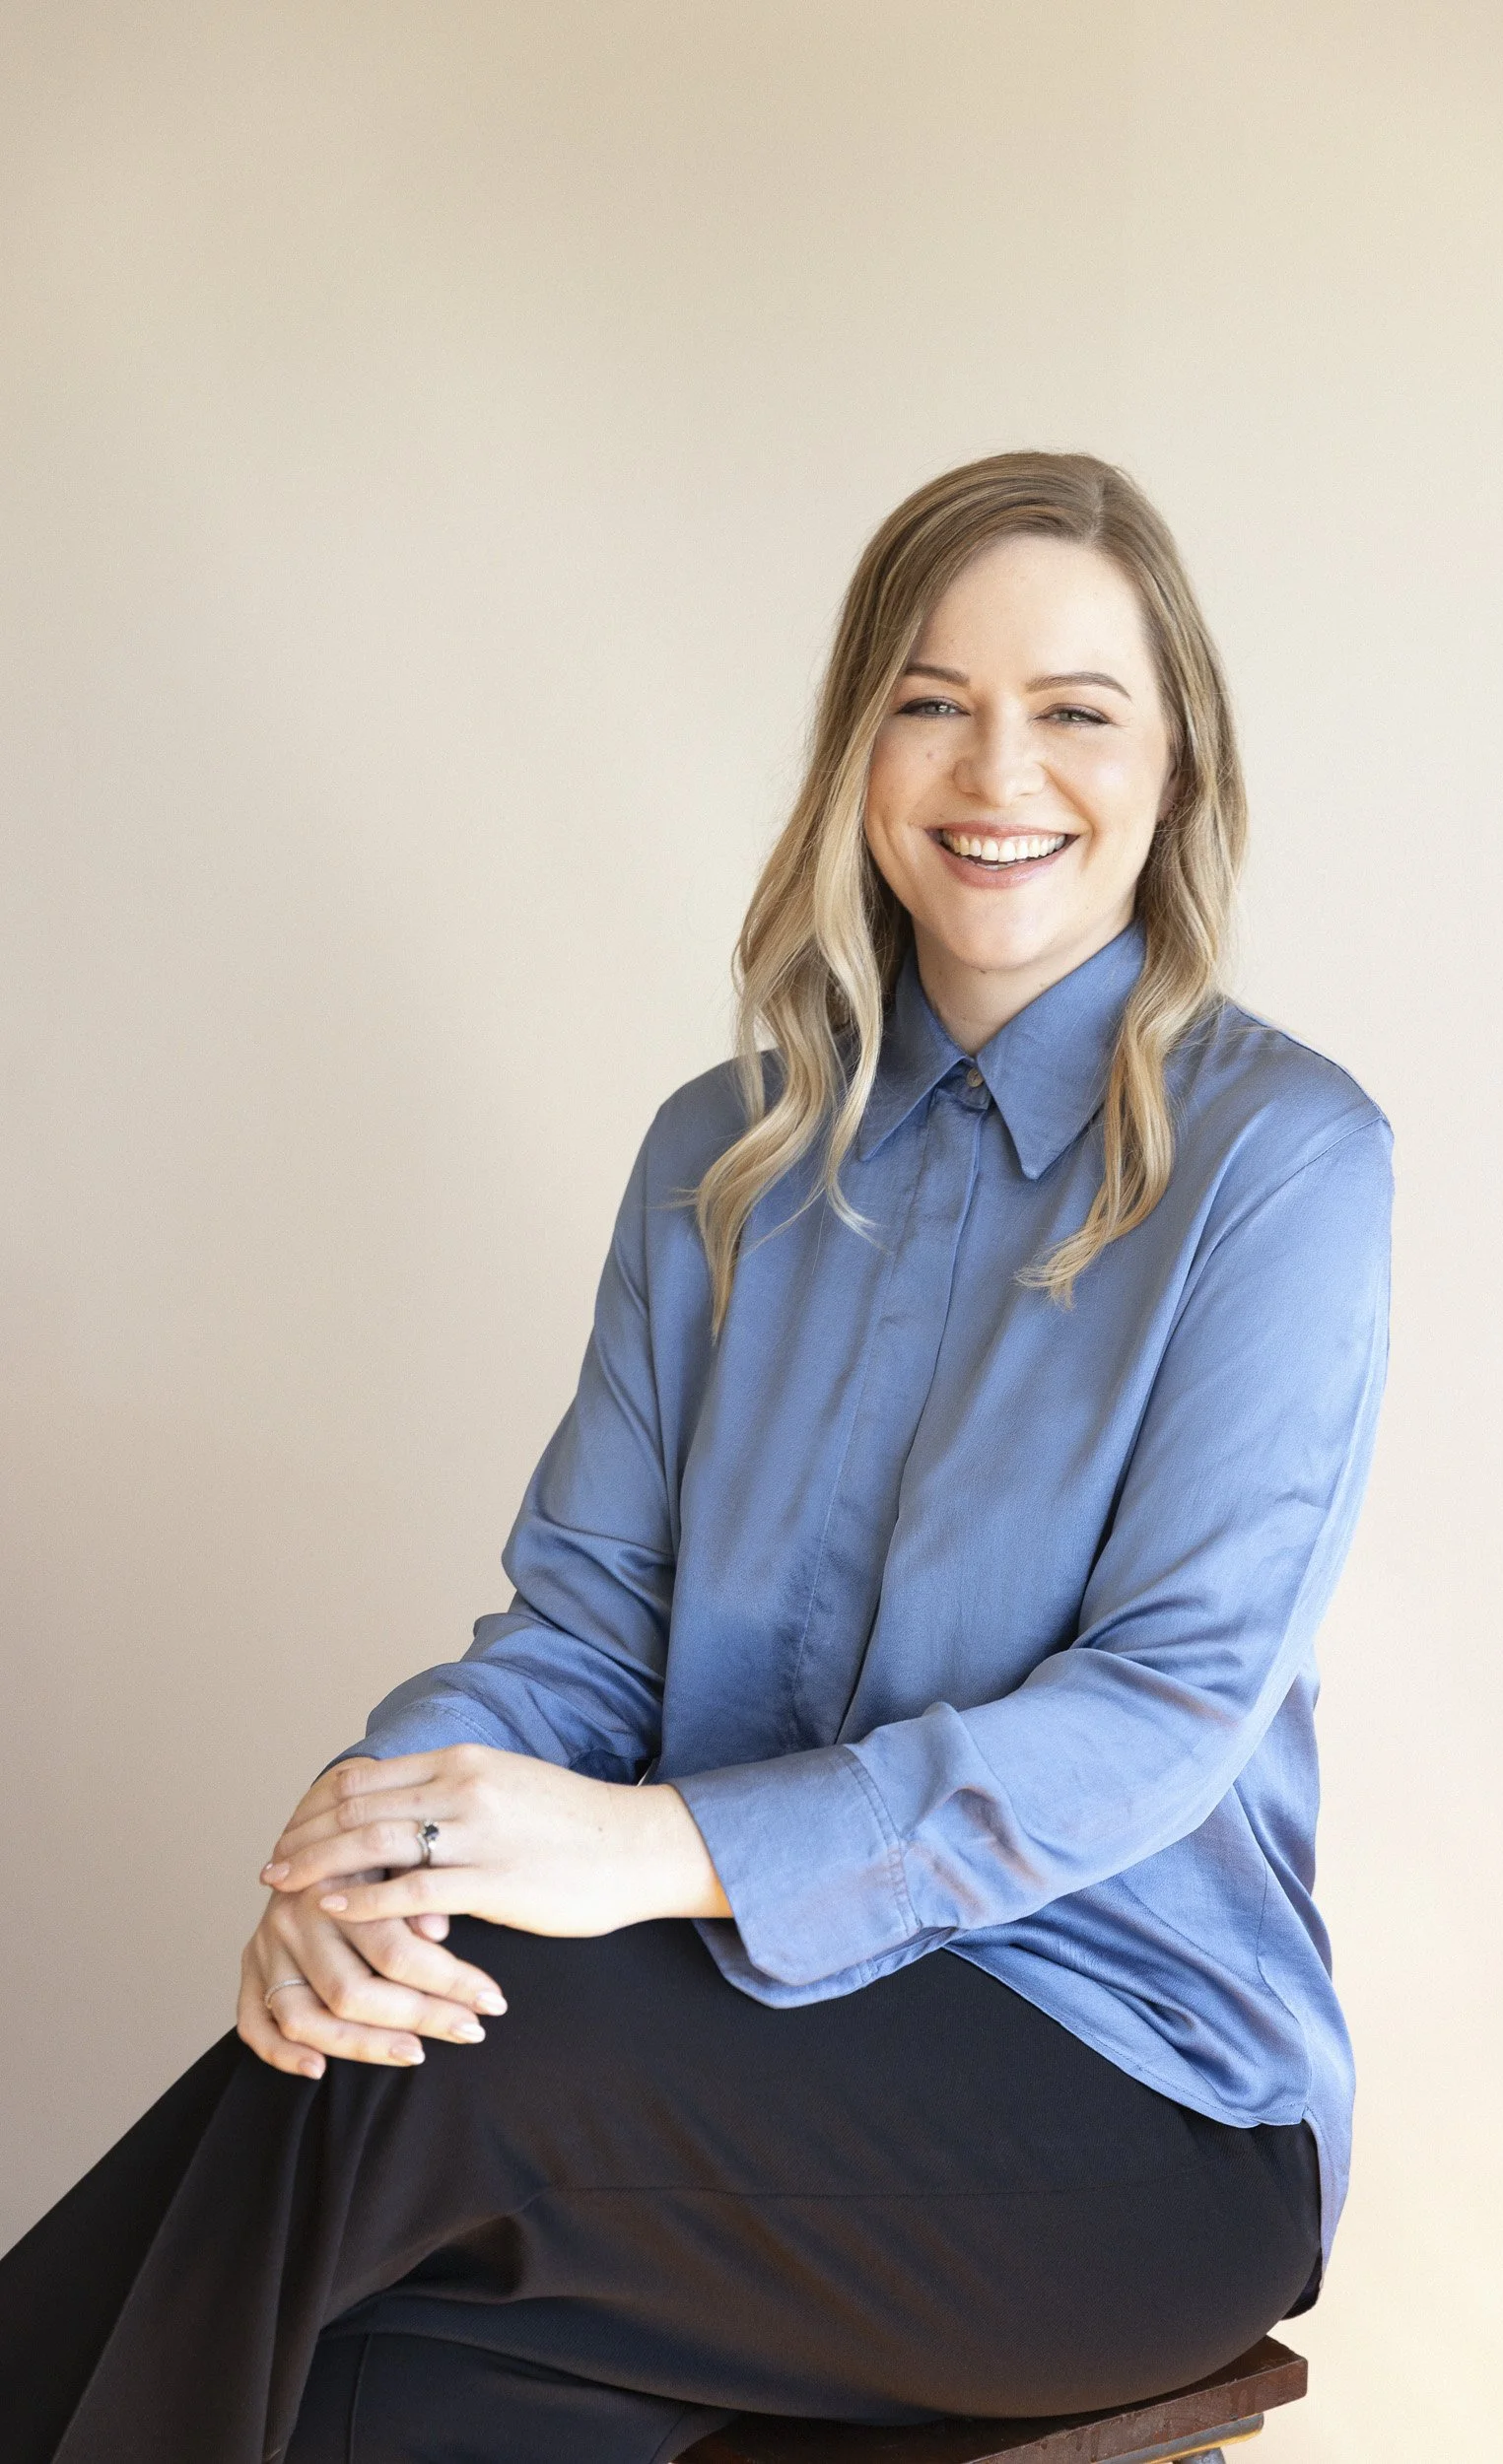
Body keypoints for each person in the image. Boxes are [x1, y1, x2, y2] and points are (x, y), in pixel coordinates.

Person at [0, 451, 1393, 2464]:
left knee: (411, 2068)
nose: (997, 767)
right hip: (736, 2050)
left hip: (1131, 2101)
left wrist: (648, 1850)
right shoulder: (720, 1153)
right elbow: (584, 1627)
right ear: (856, 752)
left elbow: (1165, 1705)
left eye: (1075, 709)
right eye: (930, 700)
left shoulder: (1279, 1161)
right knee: (390, 2322)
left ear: (1174, 768)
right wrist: (371, 1854)